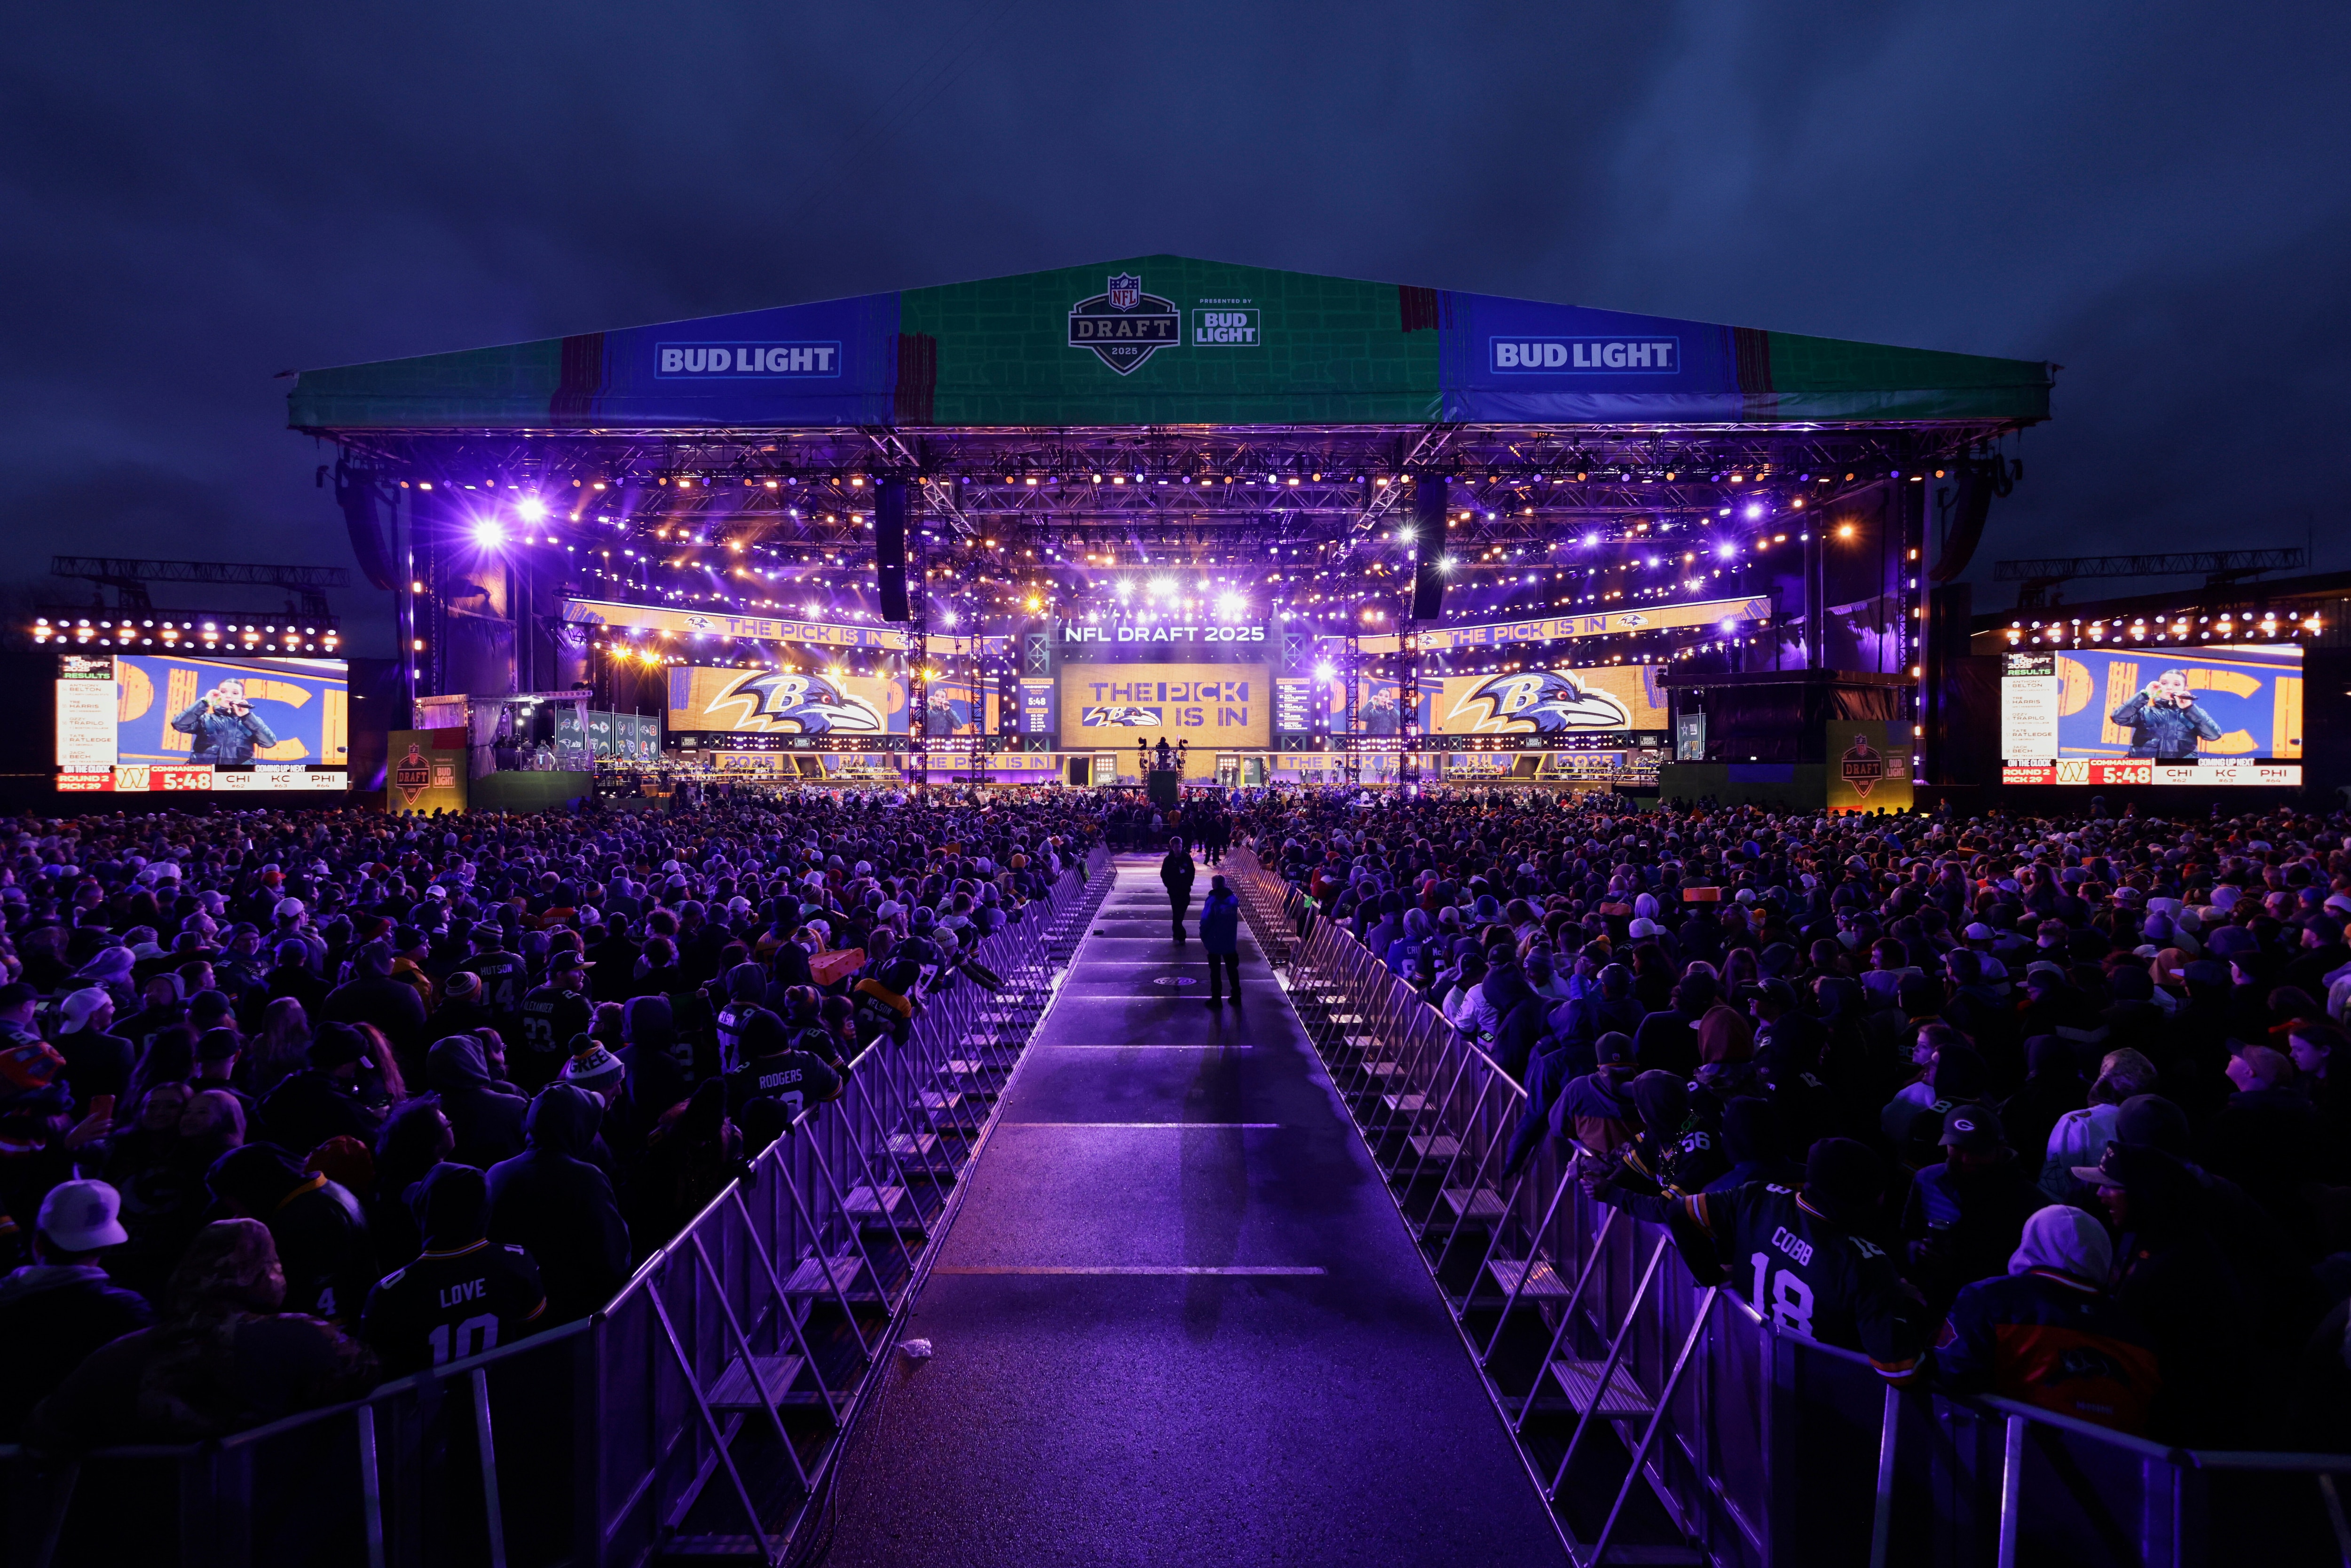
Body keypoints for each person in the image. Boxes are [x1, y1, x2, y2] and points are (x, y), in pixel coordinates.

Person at [1598, 1137, 1926, 1385]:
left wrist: (1710, 1274)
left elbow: (1676, 1212)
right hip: (1827, 1394)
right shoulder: (1866, 1263)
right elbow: (1902, 1371)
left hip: (1750, 1368)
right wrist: (1909, 1306)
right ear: (1860, 1196)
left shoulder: (1757, 1197)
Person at [25, 1218, 377, 1449]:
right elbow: (369, 1371)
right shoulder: (299, 1335)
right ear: (261, 1272)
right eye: (274, 1263)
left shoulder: (117, 1355)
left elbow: (46, 1427)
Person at [1934, 1203, 2162, 1434]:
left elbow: (1952, 1377)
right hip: (2119, 1466)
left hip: (2007, 1452)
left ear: (2030, 1243)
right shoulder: (2138, 1332)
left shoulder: (1988, 1298)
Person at [0, 1179, 153, 1439]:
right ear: (106, 1246)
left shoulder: (8, 1300)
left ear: (38, 1243)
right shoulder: (127, 1311)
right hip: (97, 1462)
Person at [361, 1163, 546, 1376]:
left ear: (426, 1213)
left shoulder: (388, 1293)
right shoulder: (517, 1262)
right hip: (506, 1399)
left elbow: (372, 1373)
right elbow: (538, 1339)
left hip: (429, 1407)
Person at [486, 1084, 631, 1324]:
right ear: (578, 1127)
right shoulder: (586, 1178)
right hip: (573, 1319)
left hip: (515, 1313)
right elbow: (615, 1259)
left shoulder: (498, 1173)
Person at [2107, 668, 2222, 760]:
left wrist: (2189, 708)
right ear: (2158, 686)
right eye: (2164, 683)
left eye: (2177, 684)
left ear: (2185, 688)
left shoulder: (2193, 713)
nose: (2170, 687)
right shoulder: (2146, 712)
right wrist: (2145, 694)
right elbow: (2118, 717)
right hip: (2146, 774)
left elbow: (2214, 735)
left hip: (2180, 776)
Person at [170, 679, 280, 764]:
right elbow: (179, 724)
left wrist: (247, 717)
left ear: (243, 697)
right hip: (206, 779)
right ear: (218, 695)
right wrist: (205, 702)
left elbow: (270, 742)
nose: (229, 696)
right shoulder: (206, 719)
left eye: (235, 693)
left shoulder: (250, 722)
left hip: (238, 781)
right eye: (223, 692)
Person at [1199, 874, 1242, 1005]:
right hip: (1230, 940)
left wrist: (1203, 934)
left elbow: (1206, 919)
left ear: (1214, 885)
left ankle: (1216, 998)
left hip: (1214, 940)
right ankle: (1236, 995)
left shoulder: (1212, 900)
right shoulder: (1233, 900)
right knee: (1232, 969)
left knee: (1215, 972)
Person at [1161, 835, 1196, 942]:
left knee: (1181, 910)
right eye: (1177, 847)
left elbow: (1192, 871)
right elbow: (1164, 874)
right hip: (1174, 890)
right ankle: (1180, 933)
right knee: (1177, 911)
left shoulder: (1186, 858)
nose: (1179, 849)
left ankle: (1176, 930)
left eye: (1180, 846)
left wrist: (1189, 883)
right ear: (1173, 847)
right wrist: (1169, 886)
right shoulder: (1168, 860)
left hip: (1185, 889)